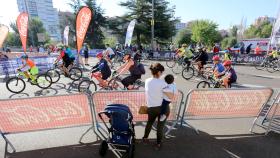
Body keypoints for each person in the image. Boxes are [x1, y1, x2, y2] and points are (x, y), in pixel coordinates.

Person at [143, 63, 167, 150]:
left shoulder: (147, 81)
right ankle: (158, 143)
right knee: (160, 127)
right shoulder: (163, 83)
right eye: (162, 72)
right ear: (159, 72)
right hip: (161, 107)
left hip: (151, 107)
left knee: (149, 123)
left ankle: (145, 138)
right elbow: (168, 95)